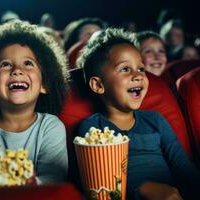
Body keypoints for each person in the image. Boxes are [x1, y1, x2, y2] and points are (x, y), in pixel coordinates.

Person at [77, 27, 200, 199]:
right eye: (125, 69)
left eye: (141, 69)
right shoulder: (92, 128)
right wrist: (140, 188)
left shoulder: (155, 120)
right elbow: (99, 181)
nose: (138, 76)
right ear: (98, 85)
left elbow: (185, 171)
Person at [0, 20, 69, 185]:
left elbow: (54, 180)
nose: (17, 70)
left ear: (44, 85)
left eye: (28, 63)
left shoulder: (51, 126)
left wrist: (28, 181)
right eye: (6, 64)